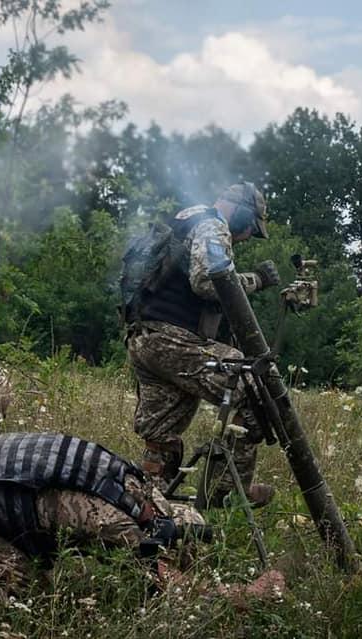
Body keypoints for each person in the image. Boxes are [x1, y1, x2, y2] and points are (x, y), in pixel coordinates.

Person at [0, 431, 285, 598]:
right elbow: (177, 589)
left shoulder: (141, 490)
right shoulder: (119, 525)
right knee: (27, 596)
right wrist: (244, 593)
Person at [122, 182, 279, 509]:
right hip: (172, 340)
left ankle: (148, 507)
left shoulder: (186, 220)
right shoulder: (213, 226)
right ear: (240, 213)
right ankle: (227, 492)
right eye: (251, 227)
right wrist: (258, 281)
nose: (248, 235)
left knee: (160, 433)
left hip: (145, 338)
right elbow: (208, 281)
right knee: (250, 384)